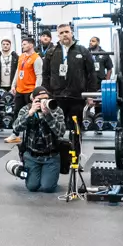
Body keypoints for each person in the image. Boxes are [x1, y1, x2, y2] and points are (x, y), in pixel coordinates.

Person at [45, 23, 95, 168]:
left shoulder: (82, 51)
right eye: (61, 33)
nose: (64, 35)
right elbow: (46, 75)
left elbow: (91, 74)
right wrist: (47, 95)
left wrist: (90, 95)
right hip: (57, 98)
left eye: (67, 32)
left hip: (76, 98)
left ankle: (75, 160)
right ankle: (56, 161)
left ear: (72, 33)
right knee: (55, 130)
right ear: (58, 36)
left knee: (76, 130)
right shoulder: (51, 52)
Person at [8, 87, 70, 193]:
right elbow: (16, 128)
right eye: (39, 100)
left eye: (46, 99)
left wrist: (48, 115)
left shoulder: (56, 109)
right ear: (33, 100)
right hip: (32, 155)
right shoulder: (26, 109)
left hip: (51, 156)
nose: (43, 102)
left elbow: (61, 132)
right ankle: (16, 165)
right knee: (32, 187)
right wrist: (30, 113)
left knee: (48, 188)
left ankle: (51, 172)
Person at [12, 36, 40, 119]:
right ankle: (16, 130)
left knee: (30, 113)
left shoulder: (36, 58)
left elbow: (39, 76)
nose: (22, 46)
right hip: (20, 90)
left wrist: (36, 92)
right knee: (17, 111)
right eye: (22, 44)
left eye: (24, 44)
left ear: (31, 45)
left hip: (30, 91)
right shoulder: (21, 56)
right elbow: (18, 71)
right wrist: (13, 85)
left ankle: (30, 131)